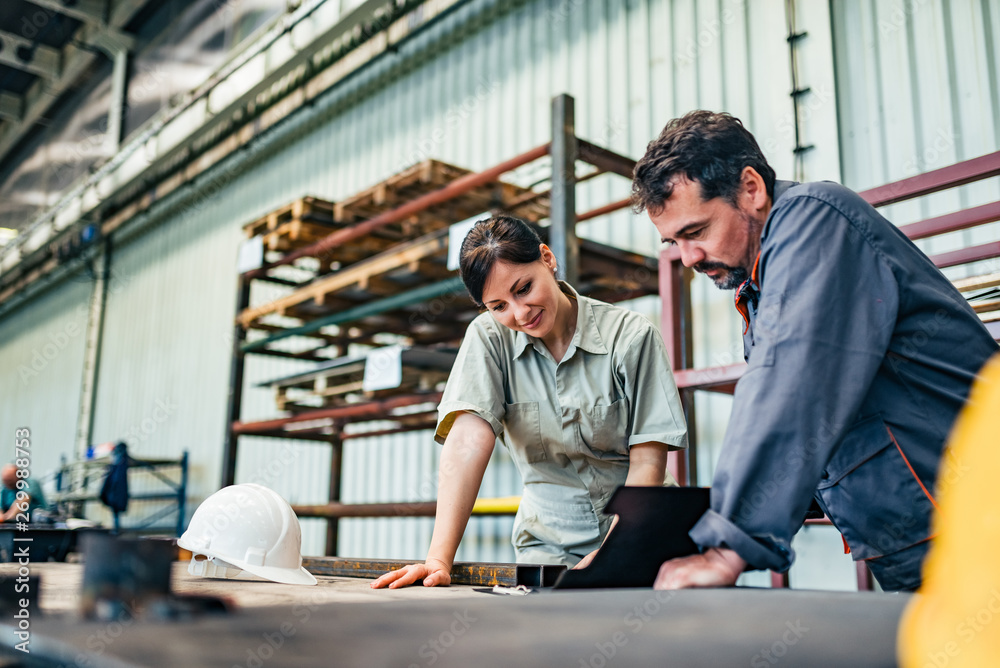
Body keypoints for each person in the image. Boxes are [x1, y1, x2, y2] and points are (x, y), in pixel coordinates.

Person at [630, 111, 999, 592]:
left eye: (696, 232)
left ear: (751, 189)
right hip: (910, 533)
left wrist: (730, 543)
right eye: (673, 242)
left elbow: (791, 380)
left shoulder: (815, 218)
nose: (687, 258)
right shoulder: (757, 284)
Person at [372, 215, 688, 588]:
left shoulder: (630, 336)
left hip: (640, 534)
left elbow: (648, 463)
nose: (519, 314)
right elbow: (468, 440)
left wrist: (613, 551)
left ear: (547, 259)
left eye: (524, 288)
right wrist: (438, 560)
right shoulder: (488, 340)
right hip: (548, 545)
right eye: (498, 306)